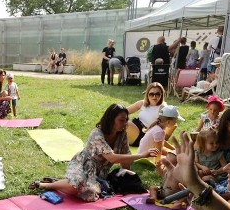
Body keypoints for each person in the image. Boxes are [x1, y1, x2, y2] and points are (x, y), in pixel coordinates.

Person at [29, 104, 159, 201]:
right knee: (77, 185)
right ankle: (47, 185)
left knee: (90, 194)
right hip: (82, 165)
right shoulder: (97, 134)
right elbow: (112, 158)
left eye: (126, 120)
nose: (125, 123)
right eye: (121, 120)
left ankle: (61, 182)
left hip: (99, 173)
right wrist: (142, 155)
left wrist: (125, 175)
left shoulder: (122, 135)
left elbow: (126, 158)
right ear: (111, 119)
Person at [137, 105, 185, 171]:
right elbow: (158, 150)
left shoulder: (158, 127)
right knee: (175, 160)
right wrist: (158, 164)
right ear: (168, 122)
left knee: (172, 153)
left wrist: (174, 148)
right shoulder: (159, 132)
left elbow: (162, 142)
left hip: (145, 153)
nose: (176, 123)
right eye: (175, 121)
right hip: (146, 158)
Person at [126, 82, 168, 146]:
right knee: (118, 115)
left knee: (123, 123)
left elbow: (162, 130)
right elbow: (124, 111)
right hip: (135, 126)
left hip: (144, 134)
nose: (154, 97)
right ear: (147, 95)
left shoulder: (163, 108)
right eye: (151, 94)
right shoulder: (142, 103)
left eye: (157, 94)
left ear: (161, 95)